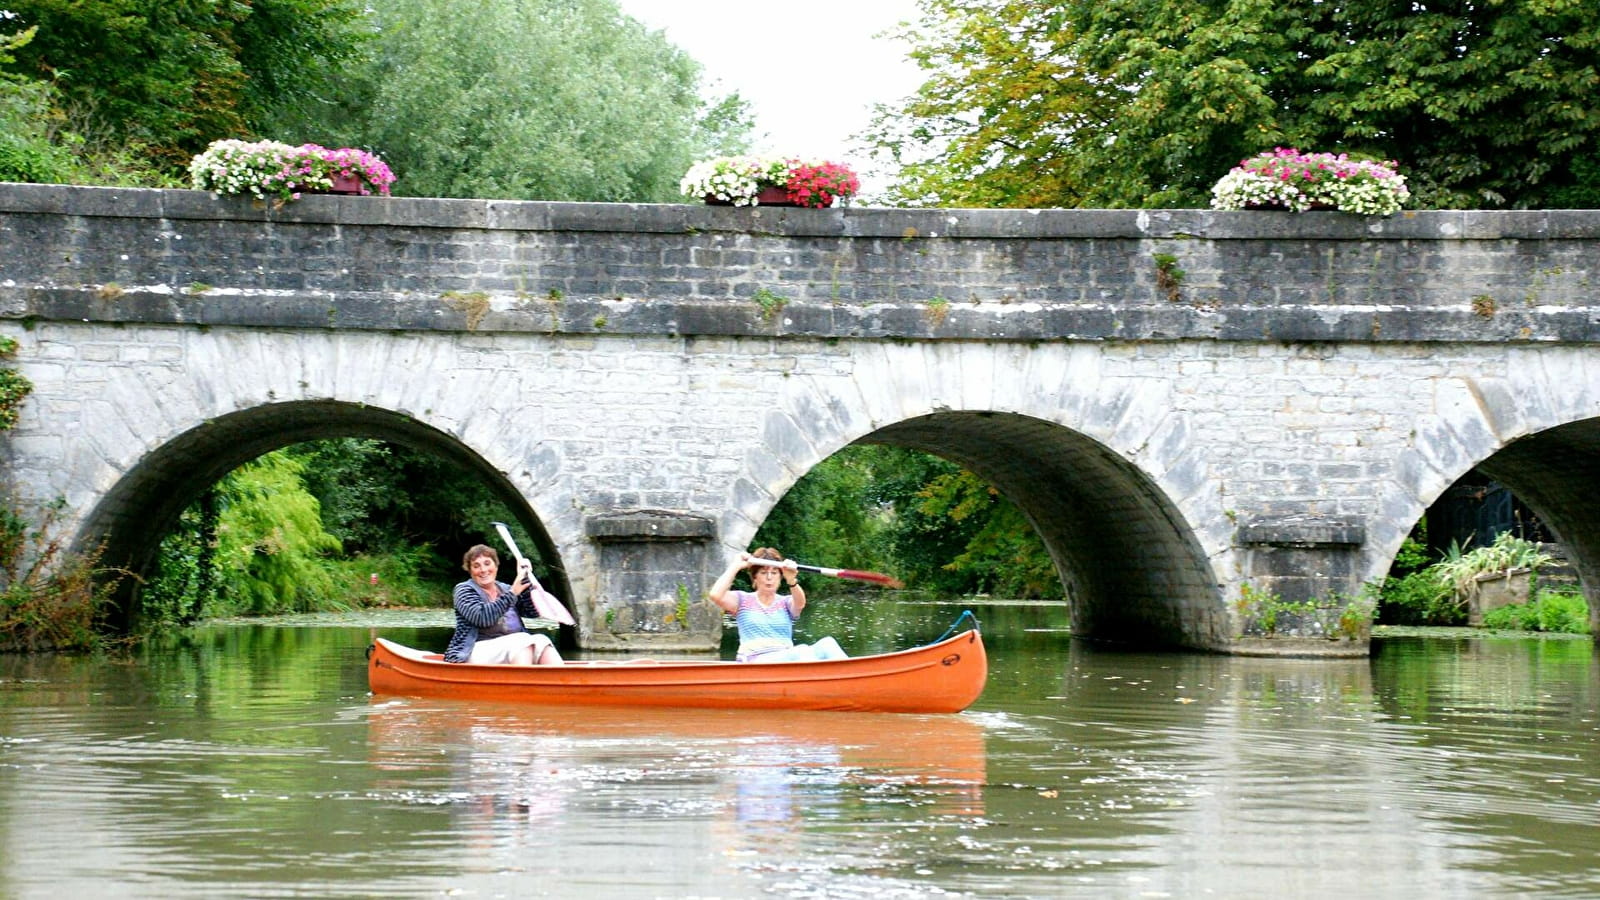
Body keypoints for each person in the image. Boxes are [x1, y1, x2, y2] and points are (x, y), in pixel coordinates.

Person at [708, 547, 847, 663]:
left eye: (774, 573)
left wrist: (791, 579)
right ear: (755, 578)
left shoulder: (785, 602)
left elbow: (800, 603)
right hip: (754, 661)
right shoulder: (742, 600)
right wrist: (736, 566)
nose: (769, 577)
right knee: (802, 651)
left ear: (780, 578)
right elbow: (715, 594)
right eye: (763, 573)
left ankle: (851, 681)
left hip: (786, 659)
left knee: (827, 644)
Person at [444, 544, 564, 665]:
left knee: (542, 640)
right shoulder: (463, 590)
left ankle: (563, 680)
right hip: (473, 651)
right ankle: (522, 682)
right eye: (476, 566)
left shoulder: (505, 589)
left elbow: (532, 612)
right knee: (521, 640)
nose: (483, 570)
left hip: (515, 648)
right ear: (470, 571)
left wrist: (526, 582)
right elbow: (482, 618)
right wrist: (514, 592)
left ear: (496, 566)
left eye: (487, 563)